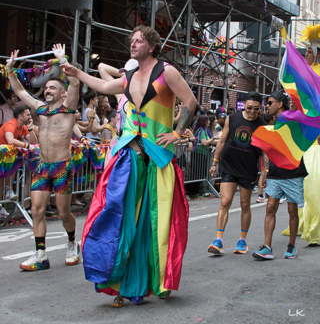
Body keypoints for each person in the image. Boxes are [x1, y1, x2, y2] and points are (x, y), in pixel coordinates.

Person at [62, 25, 197, 307]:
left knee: (156, 224)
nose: (133, 44)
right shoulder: (130, 76)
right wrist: (76, 73)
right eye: (132, 41)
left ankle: (153, 280)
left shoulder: (167, 72)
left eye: (138, 41)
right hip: (130, 155)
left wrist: (177, 132)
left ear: (152, 45)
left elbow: (190, 101)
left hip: (159, 160)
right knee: (120, 218)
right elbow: (100, 85)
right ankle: (120, 282)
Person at [6, 44, 80, 271]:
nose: (47, 90)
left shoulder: (68, 109)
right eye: (46, 87)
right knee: (37, 210)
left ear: (62, 93)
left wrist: (63, 60)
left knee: (63, 212)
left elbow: (75, 82)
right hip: (42, 166)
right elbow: (20, 92)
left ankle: (71, 244)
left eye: (52, 88)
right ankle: (41, 255)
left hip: (61, 167)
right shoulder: (39, 109)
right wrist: (10, 70)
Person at [208, 91, 267, 256]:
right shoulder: (232, 118)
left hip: (248, 169)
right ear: (244, 105)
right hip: (229, 165)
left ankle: (242, 241)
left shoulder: (262, 125)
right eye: (250, 108)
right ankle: (218, 240)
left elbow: (265, 151)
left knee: (245, 205)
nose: (253, 112)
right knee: (225, 202)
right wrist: (215, 162)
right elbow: (221, 141)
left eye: (256, 109)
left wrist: (265, 171)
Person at [252, 91, 308, 260]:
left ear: (280, 104)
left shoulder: (293, 119)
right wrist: (266, 172)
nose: (267, 106)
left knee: (292, 210)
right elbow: (270, 150)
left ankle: (291, 247)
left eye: (270, 103)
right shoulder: (274, 123)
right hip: (276, 173)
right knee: (270, 208)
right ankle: (267, 247)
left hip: (293, 172)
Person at [281, 28, 320, 246]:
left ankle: (315, 229)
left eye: (309, 51)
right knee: (305, 187)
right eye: (304, 51)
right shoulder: (306, 72)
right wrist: (286, 39)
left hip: (317, 140)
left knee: (314, 186)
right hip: (308, 137)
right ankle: (307, 223)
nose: (305, 55)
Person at [0, 106, 37, 201]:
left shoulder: (23, 127)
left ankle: (8, 191)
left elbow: (33, 142)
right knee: (0, 183)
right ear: (20, 116)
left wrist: (30, 129)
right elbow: (10, 140)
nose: (30, 117)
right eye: (28, 114)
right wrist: (27, 146)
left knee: (14, 168)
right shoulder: (10, 125)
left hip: (9, 158)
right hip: (2, 157)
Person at [256, 112, 275, 203]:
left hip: (262, 154)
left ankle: (260, 195)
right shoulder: (272, 129)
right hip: (270, 154)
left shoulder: (261, 129)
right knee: (268, 174)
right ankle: (268, 194)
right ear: (271, 120)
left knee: (263, 173)